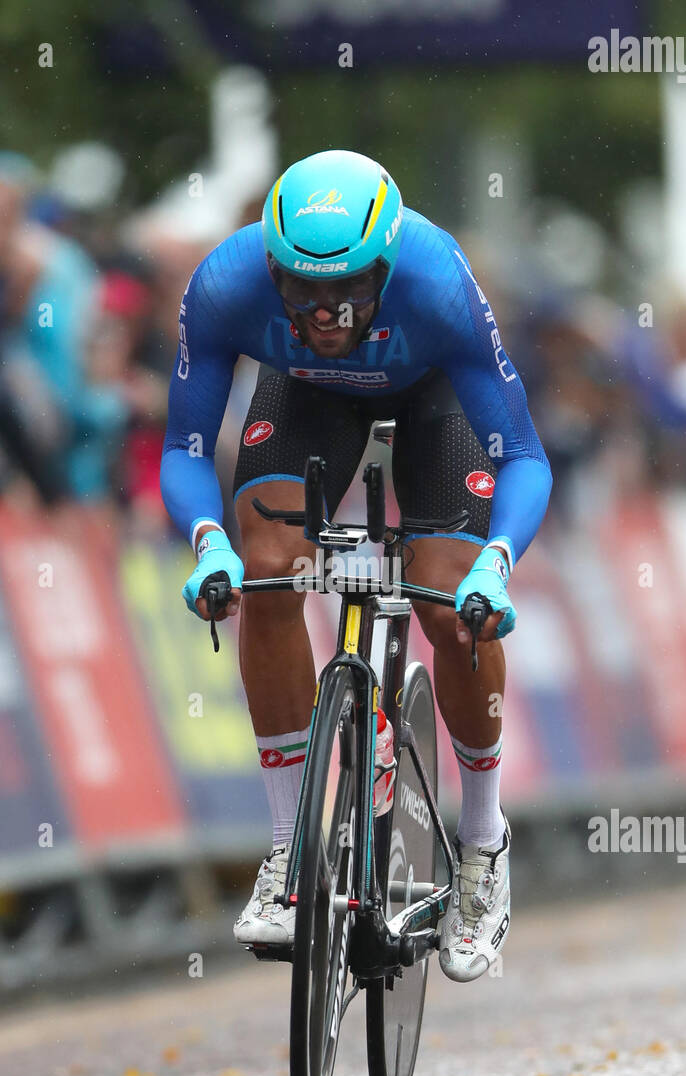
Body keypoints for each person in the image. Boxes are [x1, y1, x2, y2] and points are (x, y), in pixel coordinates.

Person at [160, 150, 552, 982]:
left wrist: (496, 565)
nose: (328, 311)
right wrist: (206, 543)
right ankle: (288, 853)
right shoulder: (224, 284)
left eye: (349, 288)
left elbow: (524, 455)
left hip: (431, 394)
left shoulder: (437, 283)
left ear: (388, 260)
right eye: (302, 290)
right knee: (264, 571)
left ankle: (482, 845)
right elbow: (184, 448)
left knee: (451, 610)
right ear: (270, 265)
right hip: (309, 397)